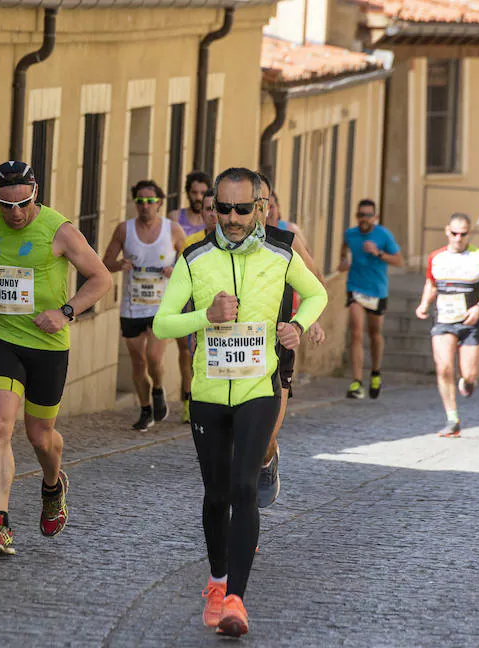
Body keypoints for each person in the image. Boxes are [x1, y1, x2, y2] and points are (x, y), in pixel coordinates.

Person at [154, 168, 327, 637]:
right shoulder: (194, 256)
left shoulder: (281, 251)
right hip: (208, 394)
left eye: (241, 209)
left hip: (257, 389)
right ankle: (215, 580)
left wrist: (296, 324)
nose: (230, 218)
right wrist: (203, 316)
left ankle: (236, 600)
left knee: (245, 489)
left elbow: (316, 293)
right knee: (217, 494)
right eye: (222, 208)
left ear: (261, 209)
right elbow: (163, 324)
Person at [0, 161, 112, 556]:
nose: (15, 213)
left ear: (35, 193)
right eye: (6, 205)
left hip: (48, 346)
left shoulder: (58, 230)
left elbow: (101, 278)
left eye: (23, 204)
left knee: (40, 438)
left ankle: (52, 484)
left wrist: (66, 312)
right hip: (2, 338)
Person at [255, 174, 326, 507]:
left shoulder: (287, 239)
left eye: (266, 203)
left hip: (279, 338)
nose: (260, 210)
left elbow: (313, 284)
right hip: (236, 344)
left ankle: (268, 458)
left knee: (266, 433)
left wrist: (307, 323)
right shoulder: (219, 242)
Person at [103, 180, 186, 431]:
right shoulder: (124, 230)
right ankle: (145, 409)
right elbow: (106, 261)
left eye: (150, 201)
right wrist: (120, 265)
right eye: (140, 201)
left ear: (159, 203)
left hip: (161, 307)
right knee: (138, 362)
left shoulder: (172, 230)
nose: (145, 206)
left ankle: (158, 389)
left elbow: (189, 259)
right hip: (132, 307)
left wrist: (176, 268)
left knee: (153, 357)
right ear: (135, 204)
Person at [415, 213, 479, 437]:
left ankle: (469, 381)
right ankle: (452, 419)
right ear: (447, 231)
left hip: (470, 322)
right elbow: (431, 284)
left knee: (468, 374)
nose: (458, 238)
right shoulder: (436, 257)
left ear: (469, 234)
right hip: (444, 320)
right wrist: (424, 304)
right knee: (443, 368)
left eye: (463, 234)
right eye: (454, 233)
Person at [338, 199, 403, 399]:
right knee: (356, 333)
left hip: (377, 290)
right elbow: (344, 248)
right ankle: (356, 382)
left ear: (375, 217)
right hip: (355, 287)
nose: (363, 219)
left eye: (368, 215)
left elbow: (400, 261)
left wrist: (378, 252)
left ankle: (375, 372)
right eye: (360, 215)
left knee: (375, 334)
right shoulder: (350, 234)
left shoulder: (383, 235)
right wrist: (344, 261)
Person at [173, 171, 213, 421]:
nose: (198, 199)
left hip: (219, 310)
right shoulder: (191, 241)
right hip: (192, 307)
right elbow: (181, 279)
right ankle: (189, 400)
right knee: (189, 353)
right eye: (194, 193)